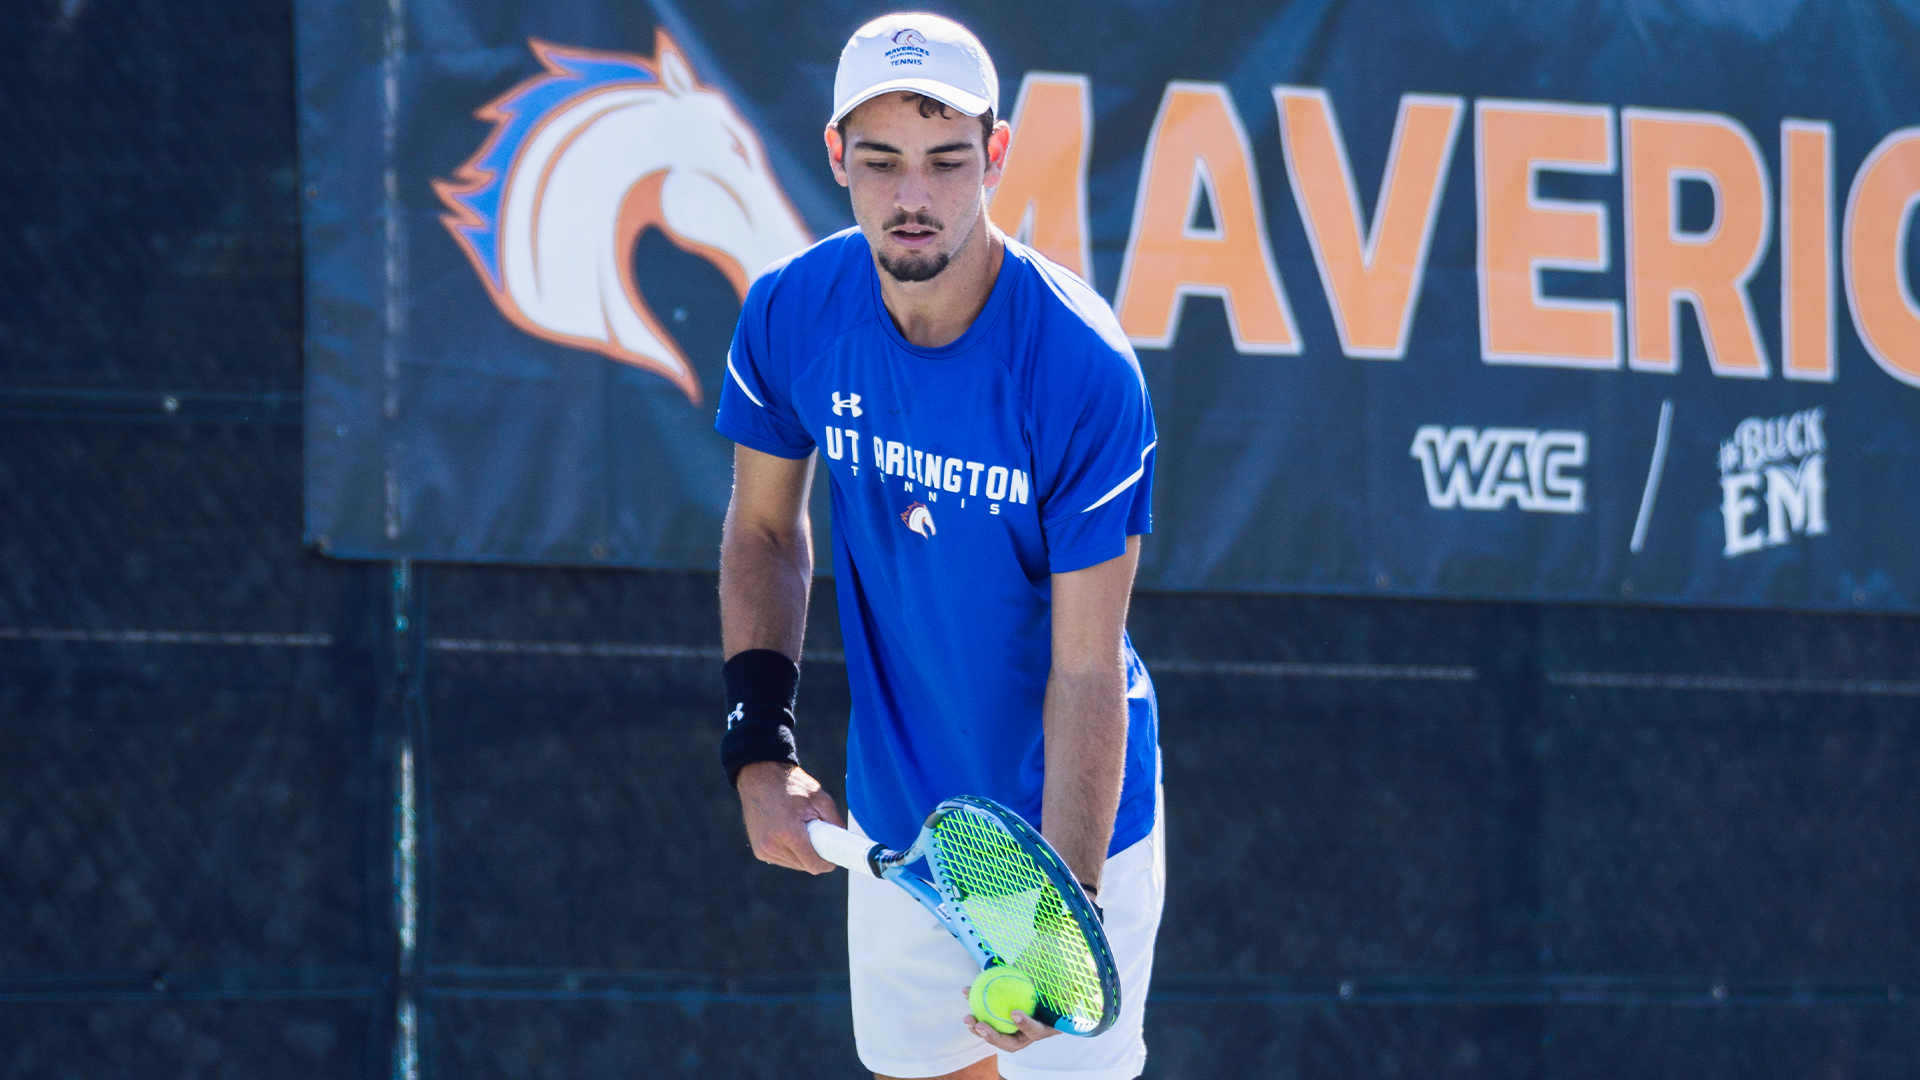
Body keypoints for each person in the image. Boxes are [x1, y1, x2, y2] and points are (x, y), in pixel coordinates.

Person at [714, 13, 1162, 1080]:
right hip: (899, 827)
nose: (913, 196)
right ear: (837, 158)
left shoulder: (1082, 367)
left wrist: (1068, 915)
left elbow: (1088, 661)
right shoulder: (791, 314)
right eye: (881, 162)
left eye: (947, 161)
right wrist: (759, 750)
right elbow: (765, 528)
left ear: (997, 155)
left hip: (1067, 843)